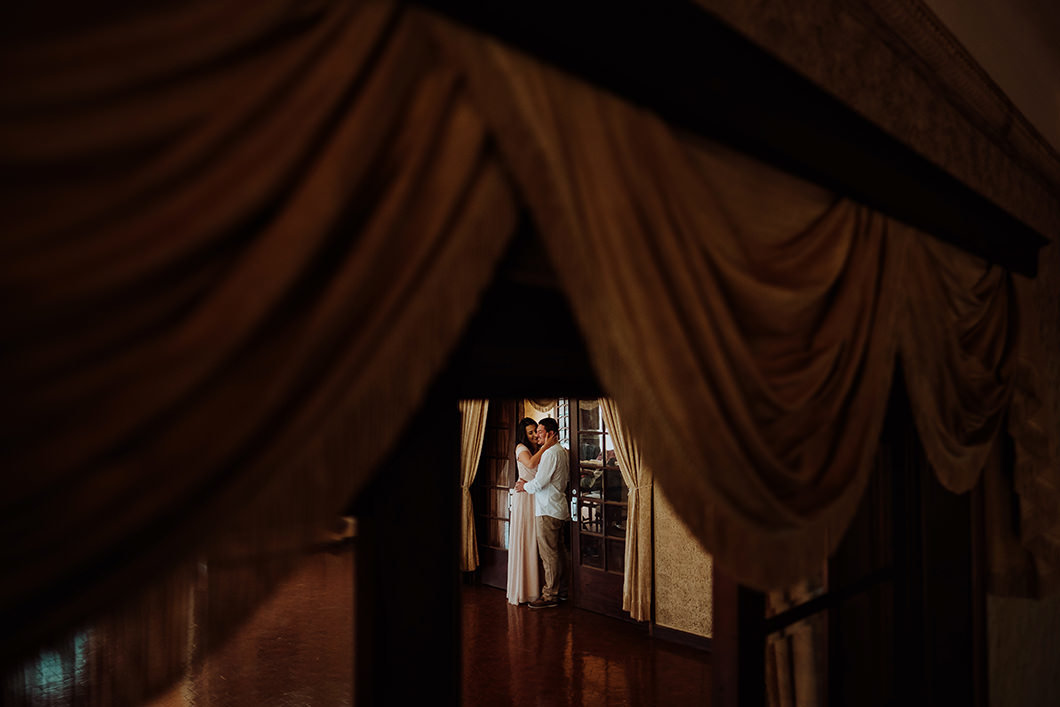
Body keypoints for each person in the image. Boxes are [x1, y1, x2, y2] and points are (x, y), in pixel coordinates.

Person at [515, 417, 569, 609]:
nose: (537, 434)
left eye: (540, 431)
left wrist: (523, 486)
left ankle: (550, 595)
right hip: (559, 508)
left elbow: (539, 483)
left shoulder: (549, 454)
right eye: (535, 431)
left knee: (549, 554)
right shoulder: (562, 451)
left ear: (551, 434)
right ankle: (562, 591)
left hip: (547, 509)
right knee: (559, 553)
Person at [507, 417, 555, 605]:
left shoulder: (536, 449)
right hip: (524, 499)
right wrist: (546, 446)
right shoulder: (521, 448)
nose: (535, 435)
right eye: (531, 432)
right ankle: (524, 590)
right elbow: (531, 465)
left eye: (536, 431)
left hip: (535, 495)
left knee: (536, 542)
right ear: (523, 435)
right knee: (526, 540)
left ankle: (537, 587)